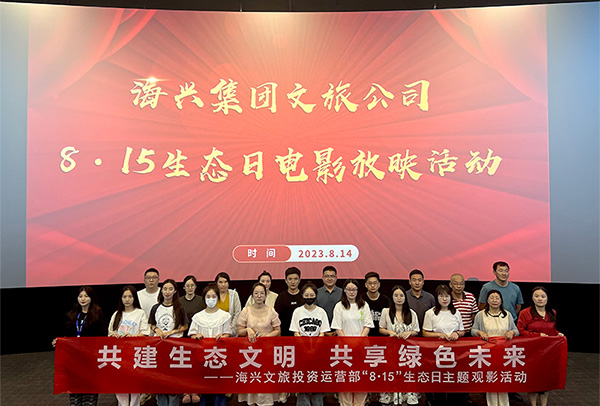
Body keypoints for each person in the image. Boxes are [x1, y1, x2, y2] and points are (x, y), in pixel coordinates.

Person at [52, 286, 106, 406]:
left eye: (86, 296)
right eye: (80, 296)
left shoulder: (97, 315)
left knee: (89, 392)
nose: (83, 299)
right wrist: (59, 342)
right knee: (75, 392)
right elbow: (67, 336)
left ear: (91, 298)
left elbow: (102, 336)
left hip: (90, 360)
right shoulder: (71, 315)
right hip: (74, 360)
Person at [517, 286, 564, 406]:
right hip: (532, 351)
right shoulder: (525, 313)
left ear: (547, 298)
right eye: (536, 296)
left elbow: (552, 329)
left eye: (543, 296)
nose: (540, 299)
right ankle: (533, 404)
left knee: (545, 380)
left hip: (547, 352)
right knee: (533, 380)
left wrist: (558, 333)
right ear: (532, 298)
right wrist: (537, 335)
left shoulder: (552, 312)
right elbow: (520, 330)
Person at [238, 283, 283, 406]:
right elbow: (239, 331)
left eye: (262, 293)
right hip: (250, 352)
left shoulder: (271, 311)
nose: (259, 296)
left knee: (265, 378)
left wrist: (267, 336)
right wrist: (248, 330)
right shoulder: (246, 311)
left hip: (267, 351)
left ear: (265, 295)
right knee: (253, 378)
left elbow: (277, 330)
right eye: (256, 293)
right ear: (252, 295)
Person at [471, 290, 519, 406]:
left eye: (497, 298)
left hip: (504, 352)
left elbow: (516, 330)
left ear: (501, 300)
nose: (494, 300)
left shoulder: (507, 314)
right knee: (491, 379)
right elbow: (473, 330)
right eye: (491, 298)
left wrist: (512, 332)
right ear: (487, 300)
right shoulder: (480, 315)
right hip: (488, 352)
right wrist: (480, 333)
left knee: (503, 379)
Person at [331, 279, 374, 406]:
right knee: (345, 378)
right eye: (349, 289)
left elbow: (367, 325)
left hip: (361, 347)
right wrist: (348, 343)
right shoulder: (339, 306)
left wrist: (358, 341)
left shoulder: (364, 305)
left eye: (354, 289)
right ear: (344, 290)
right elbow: (337, 327)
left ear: (358, 291)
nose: (351, 292)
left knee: (361, 378)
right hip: (344, 348)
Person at [189, 284, 232, 406]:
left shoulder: (224, 316)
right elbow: (192, 334)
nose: (211, 299)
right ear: (204, 298)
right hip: (203, 359)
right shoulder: (198, 317)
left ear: (218, 297)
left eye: (214, 296)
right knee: (205, 388)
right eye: (208, 296)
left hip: (219, 358)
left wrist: (223, 337)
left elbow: (228, 334)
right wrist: (196, 336)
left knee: (219, 390)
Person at [149, 279, 189, 406]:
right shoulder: (156, 308)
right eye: (165, 289)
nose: (167, 292)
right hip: (159, 347)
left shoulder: (179, 307)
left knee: (173, 381)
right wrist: (157, 330)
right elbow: (152, 324)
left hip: (175, 347)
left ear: (175, 291)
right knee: (160, 381)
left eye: (170, 289)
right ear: (161, 291)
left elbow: (185, 326)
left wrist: (172, 331)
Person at [108, 285, 150, 406]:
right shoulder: (117, 314)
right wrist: (113, 335)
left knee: (135, 384)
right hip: (119, 354)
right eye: (124, 297)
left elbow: (145, 333)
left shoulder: (140, 313)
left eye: (130, 297)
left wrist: (132, 336)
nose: (127, 299)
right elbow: (109, 333)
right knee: (120, 384)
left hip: (134, 353)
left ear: (134, 298)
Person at [290, 282, 331, 406]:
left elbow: (323, 332)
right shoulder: (297, 311)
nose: (309, 297)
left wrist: (314, 349)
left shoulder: (321, 312)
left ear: (316, 296)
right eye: (306, 295)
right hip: (301, 351)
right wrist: (305, 349)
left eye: (312, 295)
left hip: (318, 352)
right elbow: (296, 332)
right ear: (302, 296)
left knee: (317, 382)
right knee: (302, 382)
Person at [422, 285, 464, 406]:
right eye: (441, 296)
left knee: (453, 381)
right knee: (438, 381)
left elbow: (462, 331)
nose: (444, 299)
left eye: (447, 296)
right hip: (437, 353)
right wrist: (439, 334)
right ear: (436, 298)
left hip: (454, 353)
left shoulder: (456, 312)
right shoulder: (430, 313)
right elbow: (425, 333)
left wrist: (457, 334)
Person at [379, 286, 419, 406]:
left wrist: (409, 333)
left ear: (405, 297)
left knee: (407, 373)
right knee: (391, 373)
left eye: (401, 295)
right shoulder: (386, 312)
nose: (399, 298)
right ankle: (390, 398)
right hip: (391, 349)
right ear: (392, 297)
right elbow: (381, 329)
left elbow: (416, 330)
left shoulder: (411, 313)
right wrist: (389, 332)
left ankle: (408, 397)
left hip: (408, 350)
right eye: (396, 295)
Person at [179, 275, 204, 404]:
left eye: (192, 285)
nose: (190, 288)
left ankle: (195, 390)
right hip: (182, 337)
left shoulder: (201, 301)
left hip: (197, 337)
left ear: (195, 287)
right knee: (184, 366)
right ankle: (185, 391)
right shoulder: (179, 301)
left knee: (196, 366)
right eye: (187, 286)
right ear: (183, 287)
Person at [274, 267, 304, 336]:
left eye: (295, 279)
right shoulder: (281, 297)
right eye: (290, 279)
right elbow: (276, 317)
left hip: (301, 334)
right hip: (284, 333)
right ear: (286, 280)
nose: (293, 282)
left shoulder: (304, 296)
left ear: (299, 280)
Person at [405, 269, 435, 334]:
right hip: (408, 333)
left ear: (423, 282)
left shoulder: (430, 298)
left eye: (419, 280)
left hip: (426, 332)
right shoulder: (404, 296)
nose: (417, 283)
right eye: (414, 280)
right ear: (410, 282)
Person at [215, 272, 242, 336]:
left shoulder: (234, 294)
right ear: (216, 283)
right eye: (220, 282)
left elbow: (237, 313)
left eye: (225, 282)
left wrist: (230, 331)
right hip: (215, 332)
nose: (223, 284)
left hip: (231, 331)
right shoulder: (213, 295)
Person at [363, 271, 389, 337]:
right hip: (365, 336)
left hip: (382, 337)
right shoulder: (361, 300)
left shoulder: (386, 301)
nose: (372, 285)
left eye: (375, 283)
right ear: (366, 285)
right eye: (370, 283)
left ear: (379, 284)